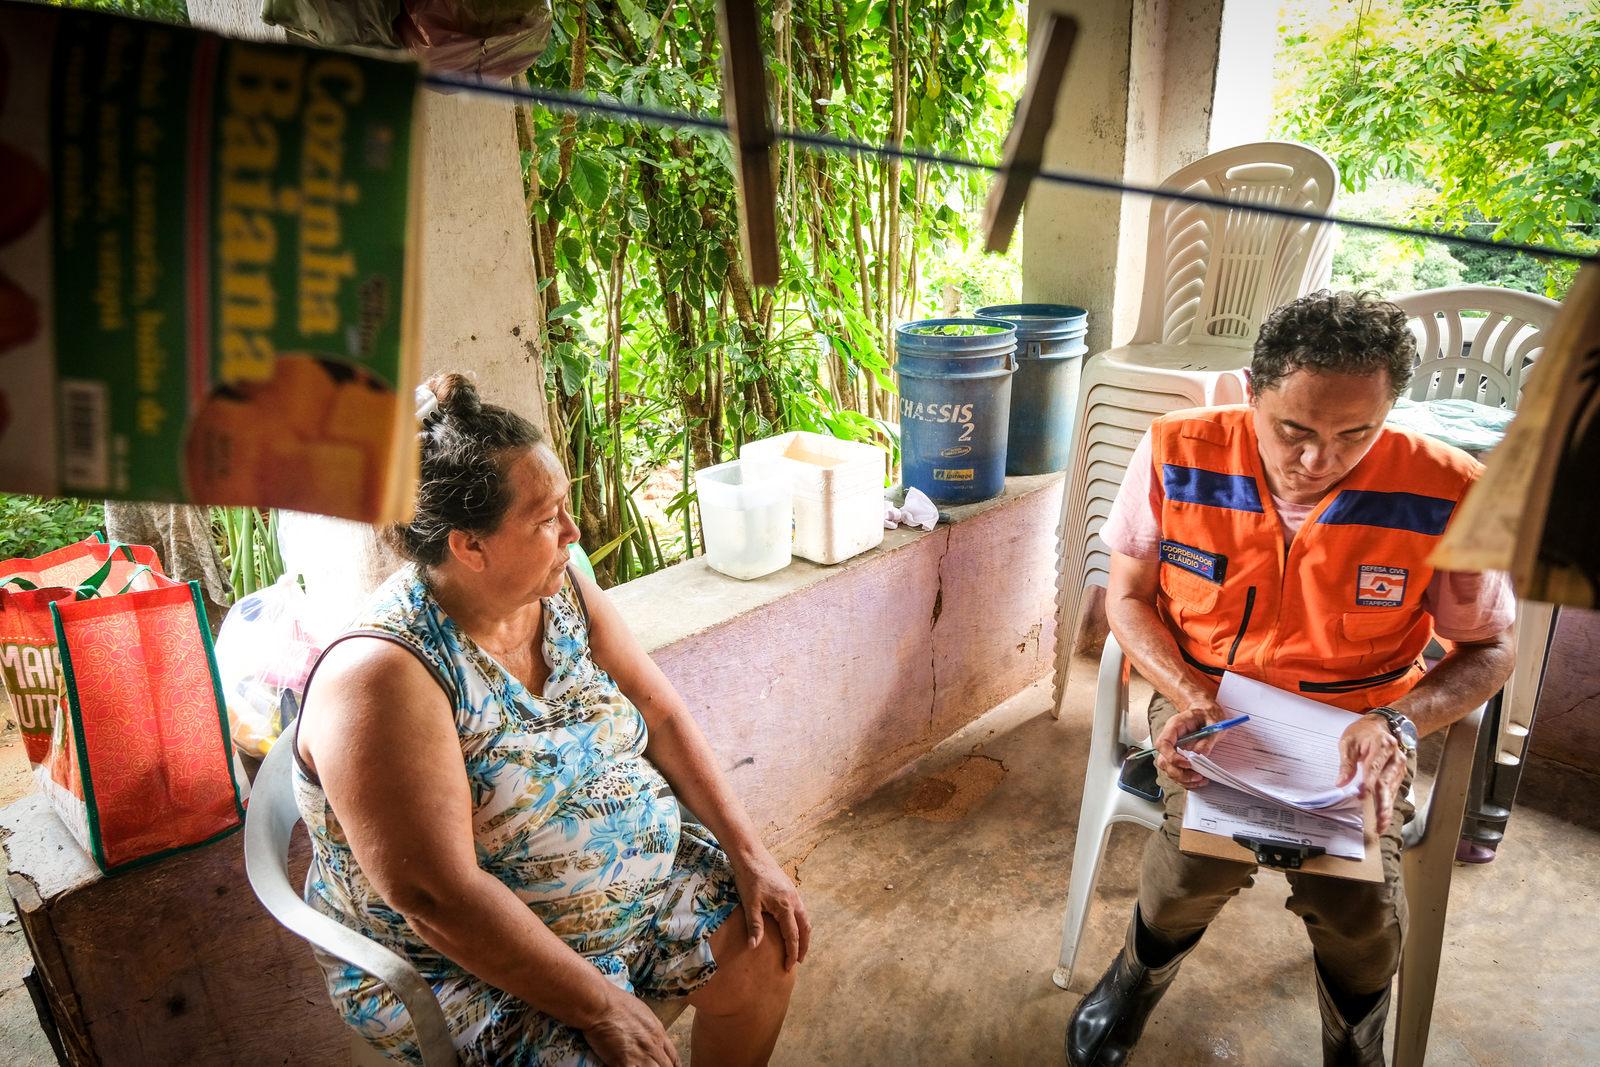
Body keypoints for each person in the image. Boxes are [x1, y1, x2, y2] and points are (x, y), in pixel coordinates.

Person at [294, 374, 808, 1067]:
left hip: (635, 893)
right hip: (469, 966)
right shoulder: (386, 676)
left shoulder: (558, 588)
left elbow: (658, 709)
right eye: (546, 519)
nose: (574, 531)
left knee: (767, 941)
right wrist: (598, 1003)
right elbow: (435, 897)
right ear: (469, 546)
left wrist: (749, 853)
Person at [1064, 290, 1516, 1067]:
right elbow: (1130, 599)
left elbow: (1492, 647)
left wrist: (1400, 723)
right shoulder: (1177, 450)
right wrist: (1185, 692)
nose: (1319, 461)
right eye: (1294, 430)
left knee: (1359, 906)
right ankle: (1136, 977)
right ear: (1250, 390)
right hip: (1209, 711)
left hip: (1355, 730)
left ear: (1390, 412)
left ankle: (1352, 1040)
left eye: (1356, 435)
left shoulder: (1446, 487)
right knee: (1192, 864)